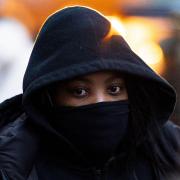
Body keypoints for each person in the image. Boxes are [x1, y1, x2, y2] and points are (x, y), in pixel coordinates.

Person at [0, 6, 180, 180]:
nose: (100, 101)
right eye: (80, 91)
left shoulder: (168, 150)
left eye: (114, 89)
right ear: (49, 97)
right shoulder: (15, 164)